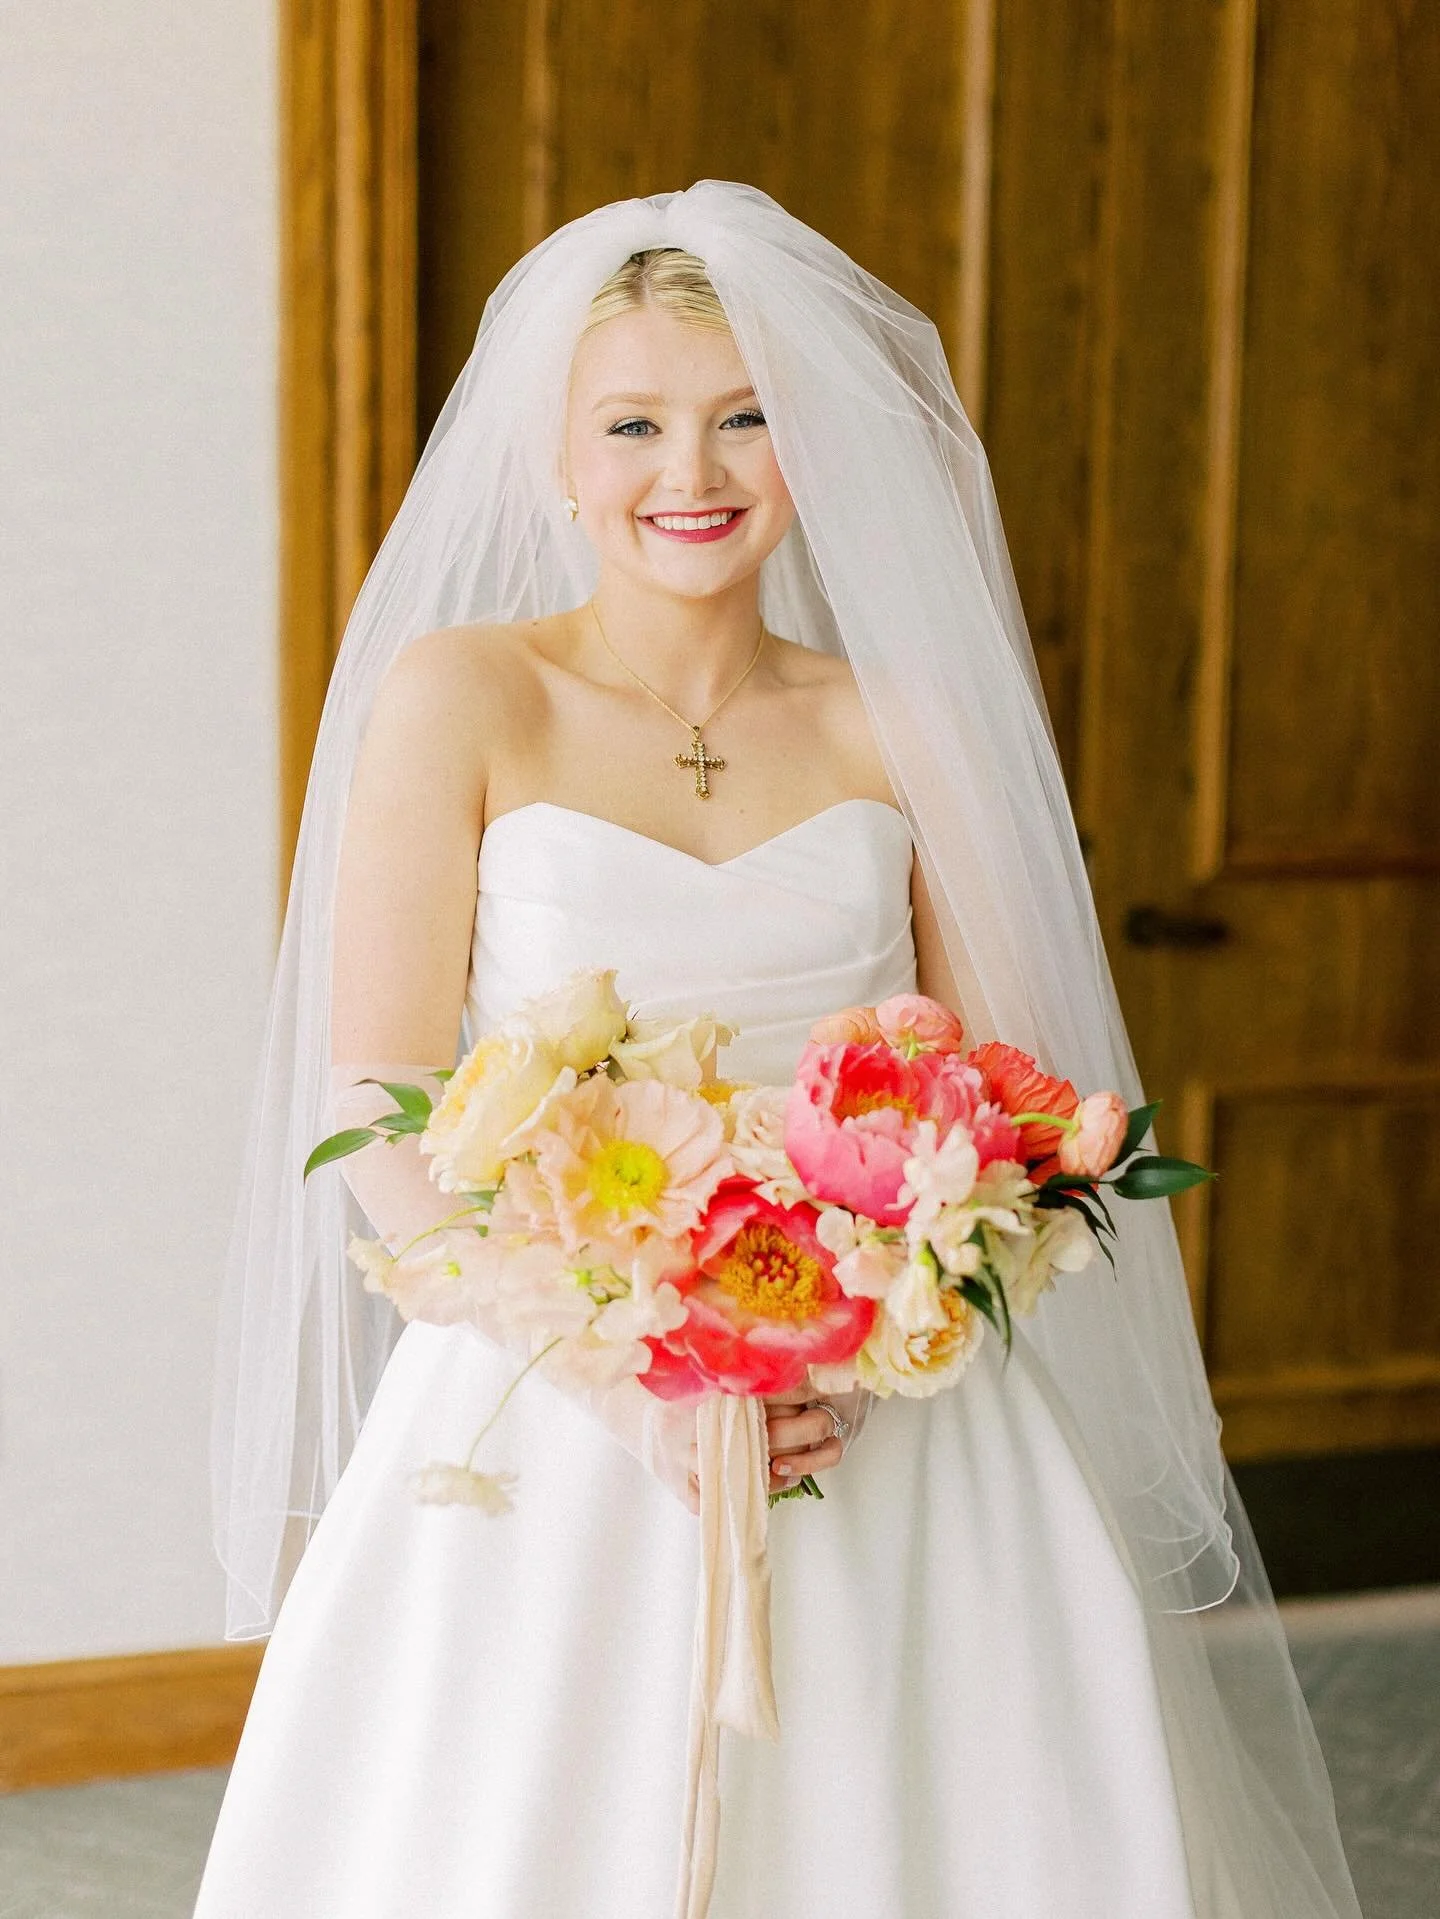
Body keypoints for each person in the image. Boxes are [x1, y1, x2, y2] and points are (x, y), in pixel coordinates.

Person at [197, 183, 1365, 1917]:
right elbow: (377, 1101)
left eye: (749, 415)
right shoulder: (465, 695)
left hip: (878, 1393)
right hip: (554, 1396)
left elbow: (1014, 1099)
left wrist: (879, 1309)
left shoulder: (904, 719)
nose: (697, 469)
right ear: (557, 456)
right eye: (639, 422)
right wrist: (620, 1370)